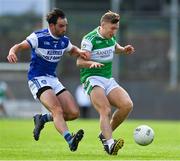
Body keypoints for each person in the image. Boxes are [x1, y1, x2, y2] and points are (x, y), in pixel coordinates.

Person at [7, 8, 90, 152]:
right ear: (51, 26)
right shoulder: (38, 37)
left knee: (73, 113)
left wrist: (80, 52)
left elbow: (71, 49)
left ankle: (43, 119)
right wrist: (12, 52)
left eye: (66, 26)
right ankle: (70, 140)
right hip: (37, 78)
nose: (64, 29)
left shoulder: (64, 41)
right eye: (61, 26)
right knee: (57, 109)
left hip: (52, 79)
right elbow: (19, 46)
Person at [76, 11, 135, 155]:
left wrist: (123, 50)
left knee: (127, 105)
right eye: (112, 28)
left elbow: (115, 48)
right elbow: (79, 62)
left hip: (108, 79)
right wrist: (91, 64)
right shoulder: (89, 39)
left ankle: (105, 134)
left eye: (116, 29)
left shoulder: (111, 37)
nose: (114, 32)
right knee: (105, 110)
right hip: (92, 78)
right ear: (103, 25)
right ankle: (109, 145)